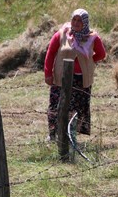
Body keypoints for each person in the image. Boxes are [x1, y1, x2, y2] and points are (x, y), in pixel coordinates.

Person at [44, 9, 106, 141]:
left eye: (79, 21)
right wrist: (48, 73)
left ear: (85, 23)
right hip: (61, 79)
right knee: (57, 106)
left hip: (80, 80)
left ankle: (70, 136)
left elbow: (101, 54)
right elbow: (50, 53)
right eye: (74, 19)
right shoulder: (61, 34)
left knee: (76, 108)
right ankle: (53, 134)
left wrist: (90, 62)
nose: (76, 23)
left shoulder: (92, 38)